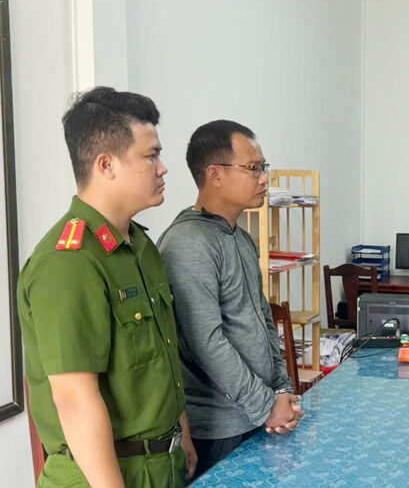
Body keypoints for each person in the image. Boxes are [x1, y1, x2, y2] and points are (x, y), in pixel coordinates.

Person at [18, 87, 198, 487]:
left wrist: (180, 433)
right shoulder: (69, 262)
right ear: (106, 165)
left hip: (159, 464)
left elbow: (161, 358)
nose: (163, 168)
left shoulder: (140, 247)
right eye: (151, 155)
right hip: (105, 475)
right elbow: (75, 400)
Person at [158, 120, 303, 478]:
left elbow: (264, 321)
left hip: (258, 414)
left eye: (263, 168)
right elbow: (206, 343)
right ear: (215, 175)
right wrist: (267, 404)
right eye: (253, 168)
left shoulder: (241, 237)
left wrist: (282, 390)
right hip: (219, 429)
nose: (264, 179)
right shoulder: (189, 243)